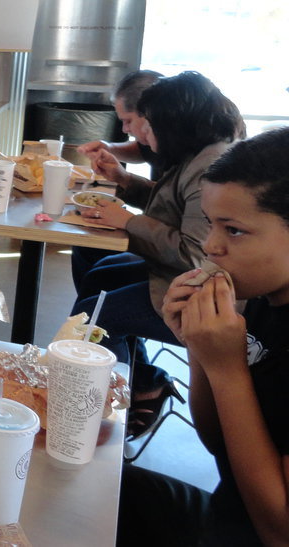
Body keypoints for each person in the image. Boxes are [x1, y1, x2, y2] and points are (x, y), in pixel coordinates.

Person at [119, 126, 289, 545]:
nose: (211, 246)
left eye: (233, 230)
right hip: (226, 508)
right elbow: (220, 445)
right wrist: (199, 347)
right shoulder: (267, 300)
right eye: (211, 225)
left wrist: (228, 370)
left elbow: (279, 530)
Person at [74, 71, 244, 438]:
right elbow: (173, 207)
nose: (142, 136)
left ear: (174, 123)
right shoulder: (197, 152)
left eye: (147, 125)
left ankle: (104, 415)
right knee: (99, 276)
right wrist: (124, 181)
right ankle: (143, 378)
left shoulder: (211, 167)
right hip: (176, 276)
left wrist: (128, 222)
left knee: (94, 319)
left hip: (200, 293)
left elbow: (196, 256)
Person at [71, 69, 164, 284]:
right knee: (88, 244)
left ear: (149, 114)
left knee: (99, 267)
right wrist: (110, 149)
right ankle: (90, 312)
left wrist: (128, 219)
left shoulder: (189, 154)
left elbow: (165, 204)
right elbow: (142, 150)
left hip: (164, 257)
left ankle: (92, 312)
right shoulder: (161, 136)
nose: (125, 129)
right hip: (155, 234)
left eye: (128, 121)